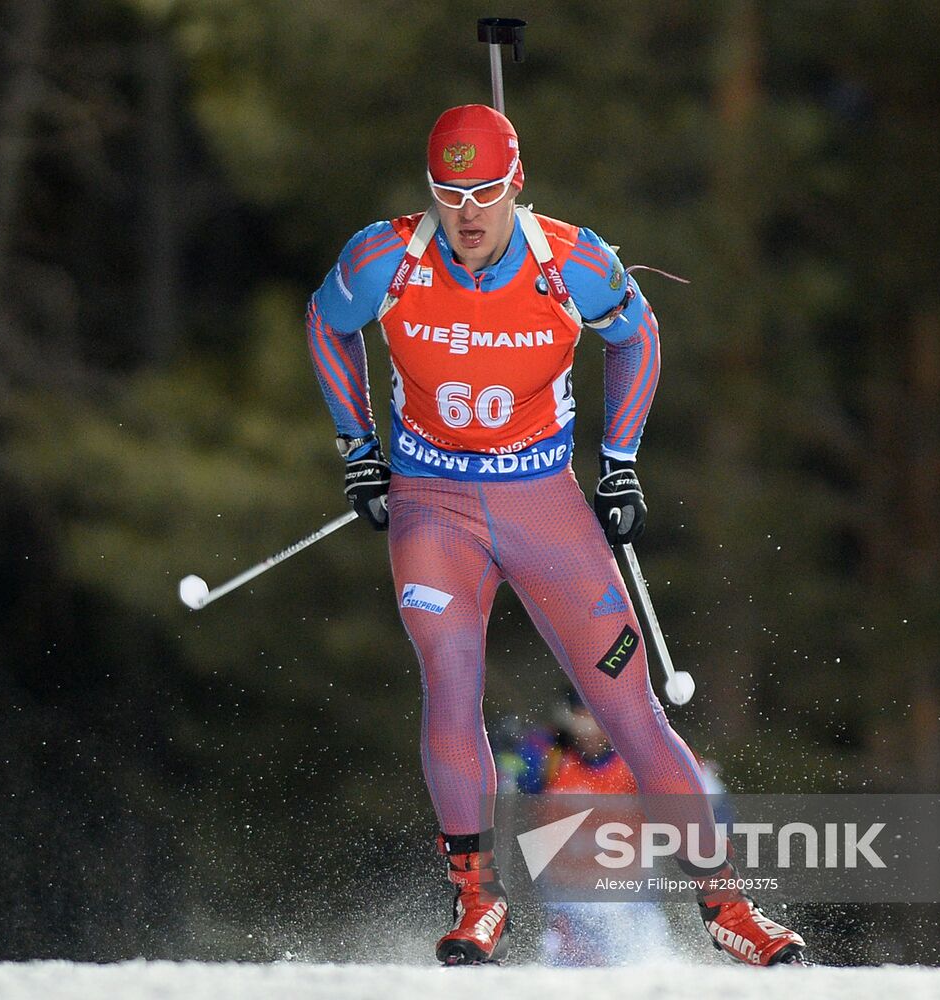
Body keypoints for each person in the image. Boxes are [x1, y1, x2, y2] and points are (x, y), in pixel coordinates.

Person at [306, 104, 804, 966]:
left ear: (517, 182)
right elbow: (325, 323)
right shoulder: (384, 257)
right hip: (435, 506)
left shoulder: (571, 261)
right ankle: (477, 900)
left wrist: (619, 460)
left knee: (631, 710)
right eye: (449, 192)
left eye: (487, 190)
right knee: (449, 683)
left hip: (544, 506)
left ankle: (728, 907)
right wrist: (359, 450)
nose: (467, 211)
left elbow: (638, 336)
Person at [501, 688, 676, 966]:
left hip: (633, 903)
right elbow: (510, 772)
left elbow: (696, 792)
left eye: (595, 718)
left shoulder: (637, 758)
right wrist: (502, 750)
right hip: (568, 905)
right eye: (580, 717)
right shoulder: (550, 755)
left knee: (648, 970)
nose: (589, 729)